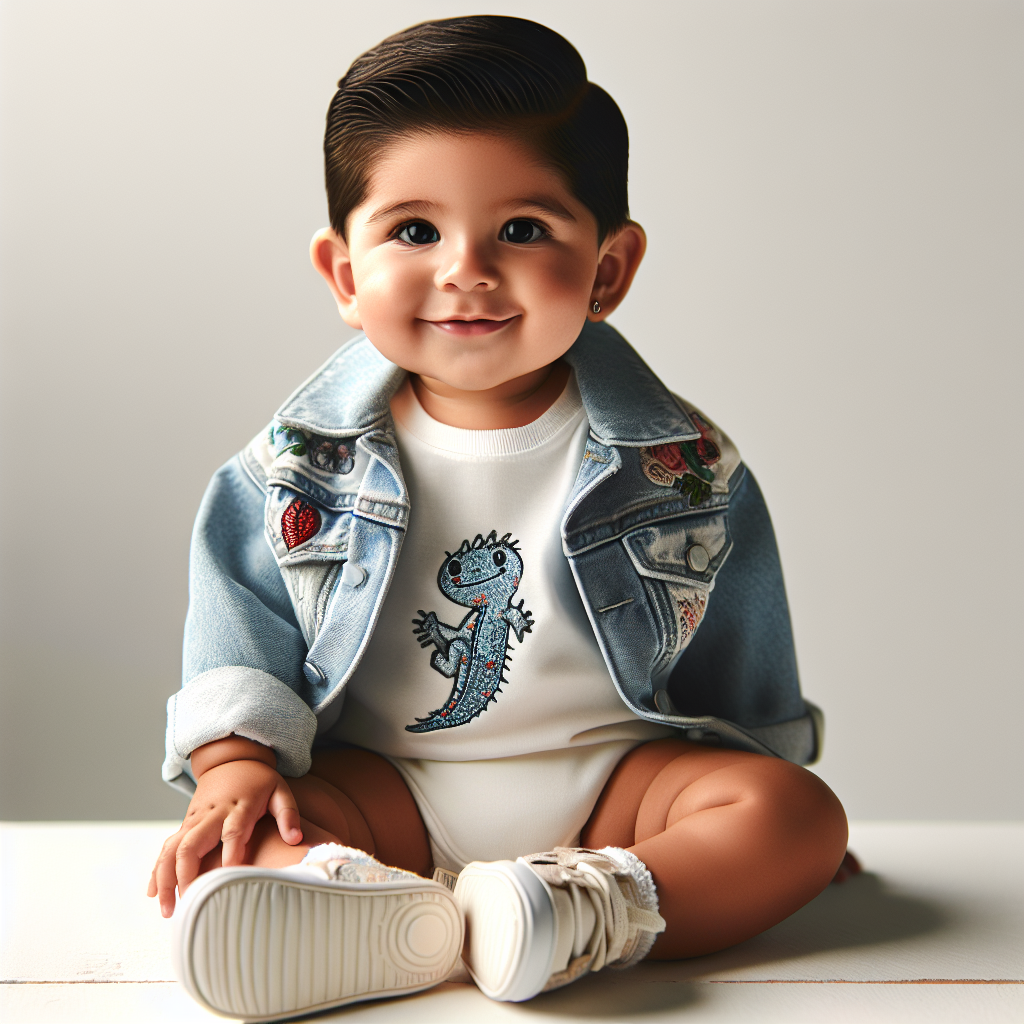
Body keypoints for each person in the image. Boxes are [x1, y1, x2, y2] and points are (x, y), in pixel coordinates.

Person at [150, 15, 848, 1021]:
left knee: (795, 817)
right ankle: (367, 902)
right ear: (345, 273)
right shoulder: (294, 471)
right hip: (387, 781)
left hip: (619, 789)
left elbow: (743, 657)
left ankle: (579, 907)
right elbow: (240, 630)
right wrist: (233, 766)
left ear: (607, 269)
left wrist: (756, 812)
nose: (465, 268)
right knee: (251, 838)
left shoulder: (681, 468)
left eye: (522, 230)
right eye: (413, 231)